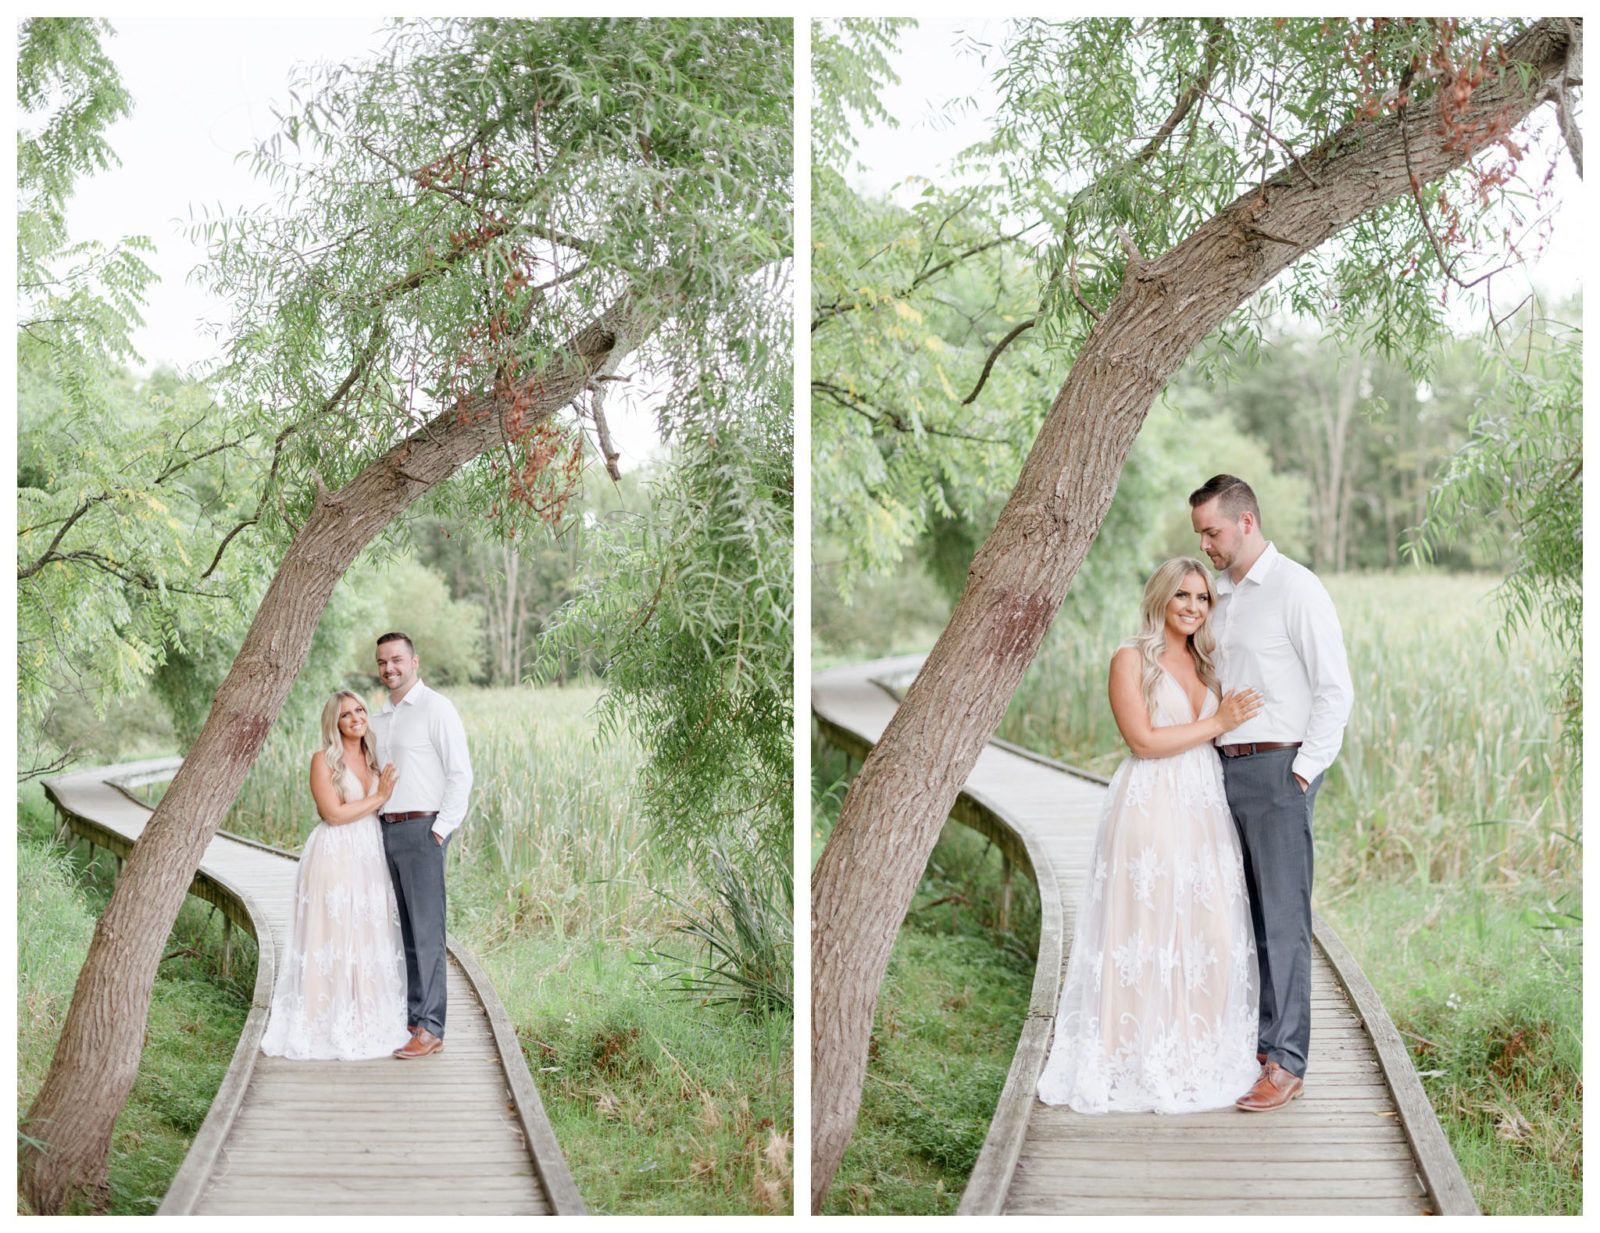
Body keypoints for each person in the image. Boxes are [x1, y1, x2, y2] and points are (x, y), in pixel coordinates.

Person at [1037, 558, 1264, 1113]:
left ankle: (1194, 1051)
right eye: (1183, 595)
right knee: (1146, 928)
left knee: (1207, 929)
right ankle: (1129, 1052)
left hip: (1205, 805)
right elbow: (1141, 740)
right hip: (1151, 802)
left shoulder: (1208, 663)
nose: (1192, 607)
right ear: (1162, 597)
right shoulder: (1130, 658)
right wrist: (1219, 722)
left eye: (1203, 598)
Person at [1189, 474, 1354, 1112]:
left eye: (1213, 531)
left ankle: (1288, 1063)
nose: (1205, 543)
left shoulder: (1296, 588)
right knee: (1245, 917)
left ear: (1247, 521)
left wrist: (1304, 772)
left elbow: (1334, 688)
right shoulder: (1219, 598)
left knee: (1284, 922)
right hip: (1221, 771)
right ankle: (1260, 1044)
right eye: (1200, 533)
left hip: (1280, 769)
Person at [260, 691, 412, 1060]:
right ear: (335, 723)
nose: (356, 718)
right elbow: (333, 813)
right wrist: (379, 798)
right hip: (335, 854)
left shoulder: (376, 759)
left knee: (368, 933)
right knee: (333, 935)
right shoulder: (323, 761)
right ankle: (322, 1019)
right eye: (346, 715)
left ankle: (366, 1016)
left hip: (371, 855)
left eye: (360, 710)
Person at [370, 631, 473, 1061]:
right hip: (386, 830)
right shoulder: (379, 718)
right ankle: (414, 1018)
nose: (389, 668)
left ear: (415, 662)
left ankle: (432, 1027)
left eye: (396, 659)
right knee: (406, 933)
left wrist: (441, 829)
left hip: (422, 829)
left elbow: (460, 773)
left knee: (429, 931)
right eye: (382, 662)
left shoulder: (436, 709)